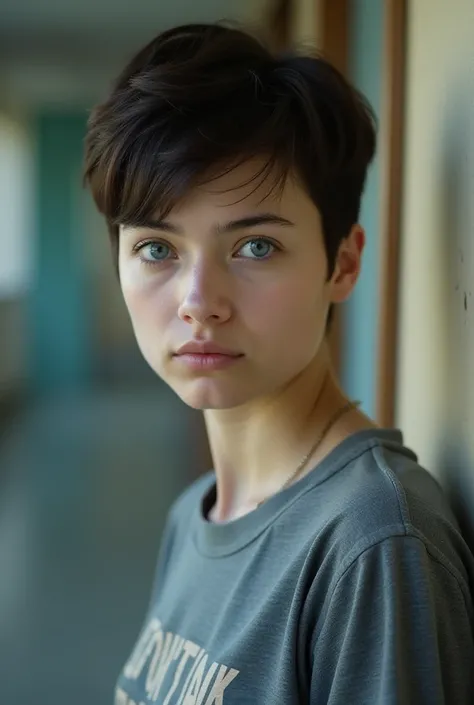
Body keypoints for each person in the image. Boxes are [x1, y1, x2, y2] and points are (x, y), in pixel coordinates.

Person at [83, 22, 474, 705]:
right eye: (156, 248)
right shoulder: (191, 516)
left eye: (255, 246)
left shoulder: (374, 540)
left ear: (343, 262)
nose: (200, 303)